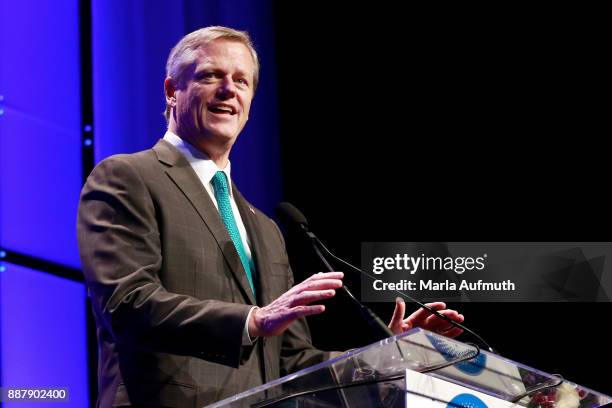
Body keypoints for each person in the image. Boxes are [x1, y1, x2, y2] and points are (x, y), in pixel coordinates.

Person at [77, 26, 464, 407]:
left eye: (241, 81)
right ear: (171, 91)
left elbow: (292, 364)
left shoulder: (265, 228)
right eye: (211, 75)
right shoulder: (129, 177)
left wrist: (386, 357)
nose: (229, 89)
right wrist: (252, 320)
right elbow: (127, 305)